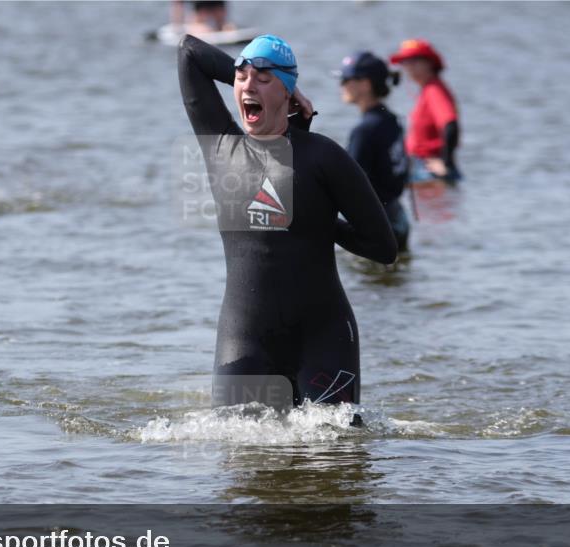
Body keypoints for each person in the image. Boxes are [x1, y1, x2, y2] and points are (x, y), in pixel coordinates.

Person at [178, 33, 397, 411]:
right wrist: (254, 79)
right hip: (244, 342)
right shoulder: (220, 145)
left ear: (287, 91)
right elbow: (189, 53)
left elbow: (384, 248)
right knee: (243, 456)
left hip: (323, 339)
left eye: (264, 79)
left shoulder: (324, 157)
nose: (249, 84)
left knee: (334, 453)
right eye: (242, 76)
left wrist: (319, 221)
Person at [337, 50, 410, 251]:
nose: (341, 85)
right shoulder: (392, 120)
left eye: (346, 79)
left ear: (365, 84)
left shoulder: (364, 131)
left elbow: (348, 186)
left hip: (378, 225)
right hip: (398, 218)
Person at [389, 39, 461, 183]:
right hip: (421, 168)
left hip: (428, 170)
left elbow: (451, 124)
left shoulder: (434, 90)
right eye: (405, 62)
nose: (408, 66)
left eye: (414, 60)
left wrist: (446, 163)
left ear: (430, 63)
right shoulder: (428, 90)